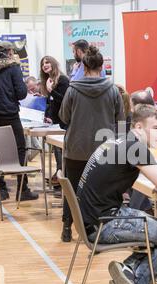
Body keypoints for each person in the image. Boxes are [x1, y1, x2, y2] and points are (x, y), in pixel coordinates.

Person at [76, 105, 157, 284]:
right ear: (139, 127)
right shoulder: (136, 148)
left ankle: (126, 273)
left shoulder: (117, 140)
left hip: (92, 219)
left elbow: (155, 178)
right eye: (156, 128)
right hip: (103, 224)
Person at [59, 46, 124, 242]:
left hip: (76, 149)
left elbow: (64, 117)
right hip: (104, 152)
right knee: (98, 193)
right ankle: (95, 231)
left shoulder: (72, 89)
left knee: (71, 190)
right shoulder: (113, 91)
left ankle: (67, 228)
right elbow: (121, 122)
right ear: (102, 65)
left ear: (83, 65)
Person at [0, 41, 39, 202]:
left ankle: (1, 189)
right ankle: (22, 189)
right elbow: (21, 93)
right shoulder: (13, 67)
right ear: (9, 52)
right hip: (10, 114)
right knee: (21, 149)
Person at [39, 56, 70, 184]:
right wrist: (47, 116)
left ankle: (60, 174)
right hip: (54, 121)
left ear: (53, 63)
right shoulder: (49, 80)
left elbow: (64, 100)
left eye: (47, 62)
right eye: (42, 64)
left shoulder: (62, 80)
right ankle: (59, 173)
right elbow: (50, 102)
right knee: (56, 148)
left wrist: (51, 90)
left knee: (60, 148)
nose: (44, 65)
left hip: (64, 120)